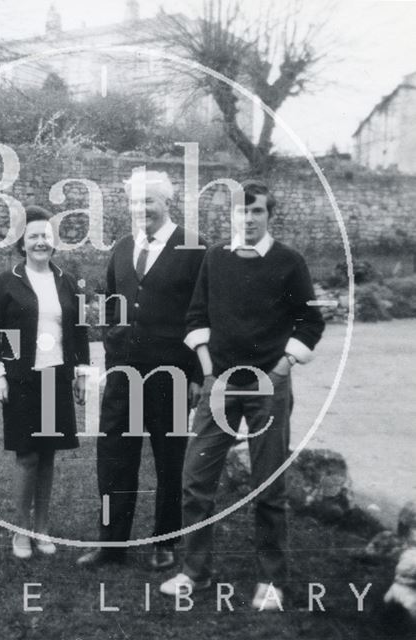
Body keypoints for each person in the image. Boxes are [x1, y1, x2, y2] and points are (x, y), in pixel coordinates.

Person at [160, 180, 325, 609]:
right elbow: (196, 315)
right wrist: (210, 368)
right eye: (241, 212)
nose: (248, 219)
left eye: (257, 212)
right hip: (220, 383)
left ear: (269, 215)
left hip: (268, 385)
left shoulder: (289, 262)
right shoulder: (215, 258)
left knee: (268, 485)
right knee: (196, 482)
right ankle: (194, 572)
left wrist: (282, 365)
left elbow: (310, 323)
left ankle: (271, 581)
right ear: (230, 215)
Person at [77, 170, 207, 570]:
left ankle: (164, 542)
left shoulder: (194, 247)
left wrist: (198, 376)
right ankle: (111, 544)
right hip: (123, 372)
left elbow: (202, 314)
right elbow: (112, 302)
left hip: (172, 373)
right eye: (135, 203)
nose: (141, 210)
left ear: (167, 203)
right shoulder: (122, 247)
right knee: (114, 456)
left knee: (169, 459)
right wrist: (112, 348)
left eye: (148, 201)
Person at [0, 206, 89, 559]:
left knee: (48, 456)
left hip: (56, 376)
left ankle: (42, 529)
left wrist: (81, 373)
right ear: (22, 244)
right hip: (21, 379)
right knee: (27, 456)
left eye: (46, 235)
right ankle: (20, 532)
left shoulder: (66, 281)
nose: (41, 242)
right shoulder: (7, 281)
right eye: (34, 237)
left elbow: (79, 330)